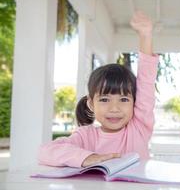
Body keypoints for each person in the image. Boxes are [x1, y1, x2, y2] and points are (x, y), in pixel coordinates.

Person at [38, 11, 159, 168]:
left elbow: (146, 83)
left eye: (123, 99)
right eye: (104, 99)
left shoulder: (139, 128)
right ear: (91, 103)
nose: (114, 108)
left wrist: (145, 36)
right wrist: (88, 157)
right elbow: (45, 151)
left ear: (135, 104)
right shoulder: (85, 135)